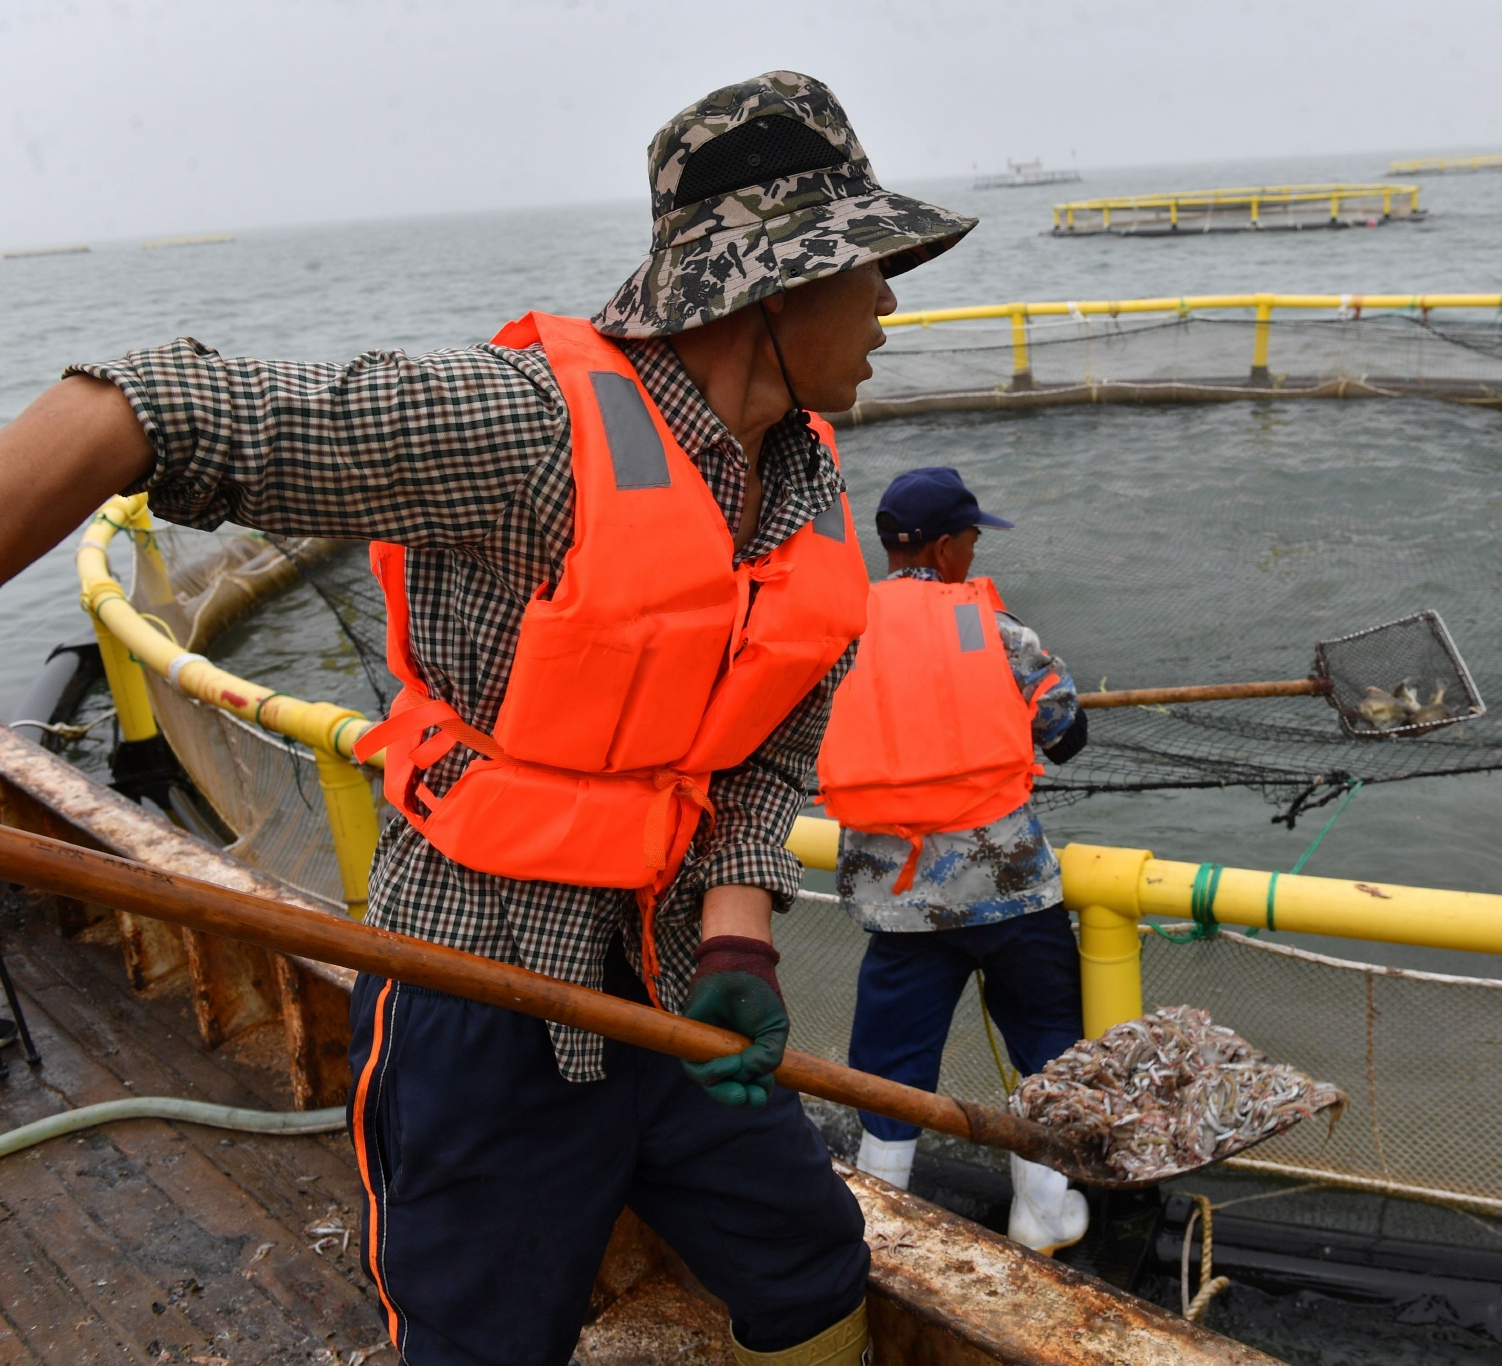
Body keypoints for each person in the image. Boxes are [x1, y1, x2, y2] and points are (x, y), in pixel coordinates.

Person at [0, 73, 975, 1366]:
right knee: (479, 1338)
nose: (892, 303)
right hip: (490, 986)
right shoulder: (528, 431)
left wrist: (739, 942)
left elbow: (769, 742)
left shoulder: (800, 481)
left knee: (810, 1264)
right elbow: (145, 407)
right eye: (871, 268)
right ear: (775, 288)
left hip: (675, 979)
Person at [816, 467, 1092, 1253]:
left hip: (900, 903)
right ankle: (1041, 1211)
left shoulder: (841, 632)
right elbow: (1066, 736)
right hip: (1012, 894)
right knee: (1045, 1038)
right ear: (942, 547)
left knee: (891, 1058)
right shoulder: (1001, 632)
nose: (974, 550)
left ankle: (881, 1208)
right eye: (971, 536)